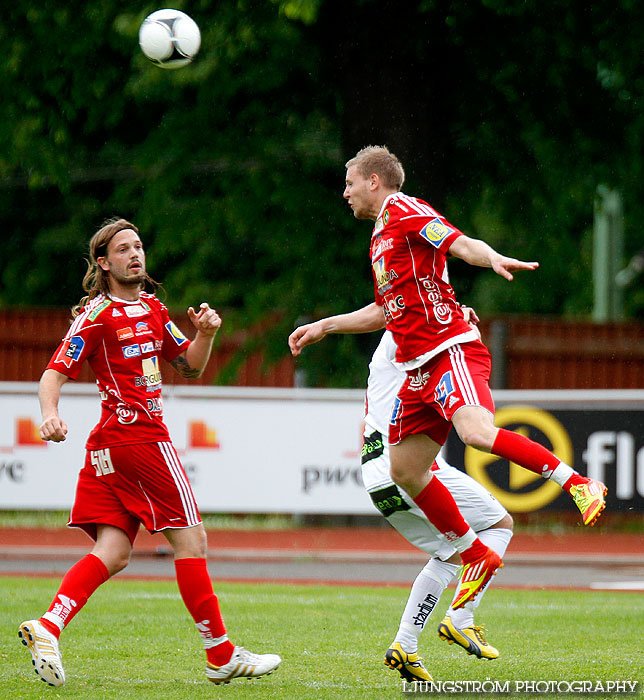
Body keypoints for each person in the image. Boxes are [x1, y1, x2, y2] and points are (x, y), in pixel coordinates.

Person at [289, 144, 607, 610]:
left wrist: (490, 257)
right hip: (418, 366)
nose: (345, 193)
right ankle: (475, 553)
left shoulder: (404, 208)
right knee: (405, 470)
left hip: (448, 348)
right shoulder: (380, 234)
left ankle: (577, 482)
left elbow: (457, 242)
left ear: (374, 181)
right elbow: (385, 310)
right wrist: (326, 325)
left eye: (350, 183)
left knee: (475, 432)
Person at [18, 218, 281, 688]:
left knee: (115, 551)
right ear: (104, 262)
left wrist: (206, 333)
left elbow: (191, 366)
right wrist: (49, 414)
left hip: (111, 445)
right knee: (192, 540)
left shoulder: (155, 309)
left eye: (138, 247)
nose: (135, 255)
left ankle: (48, 625)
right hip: (136, 438)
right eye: (123, 249)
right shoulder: (97, 316)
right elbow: (52, 375)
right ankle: (220, 653)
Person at [295, 310, 512, 683]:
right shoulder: (417, 336)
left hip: (374, 474)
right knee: (499, 524)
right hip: (409, 470)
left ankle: (405, 645)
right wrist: (463, 328)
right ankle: (461, 617)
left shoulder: (393, 345)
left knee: (448, 551)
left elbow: (386, 312)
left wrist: (325, 326)